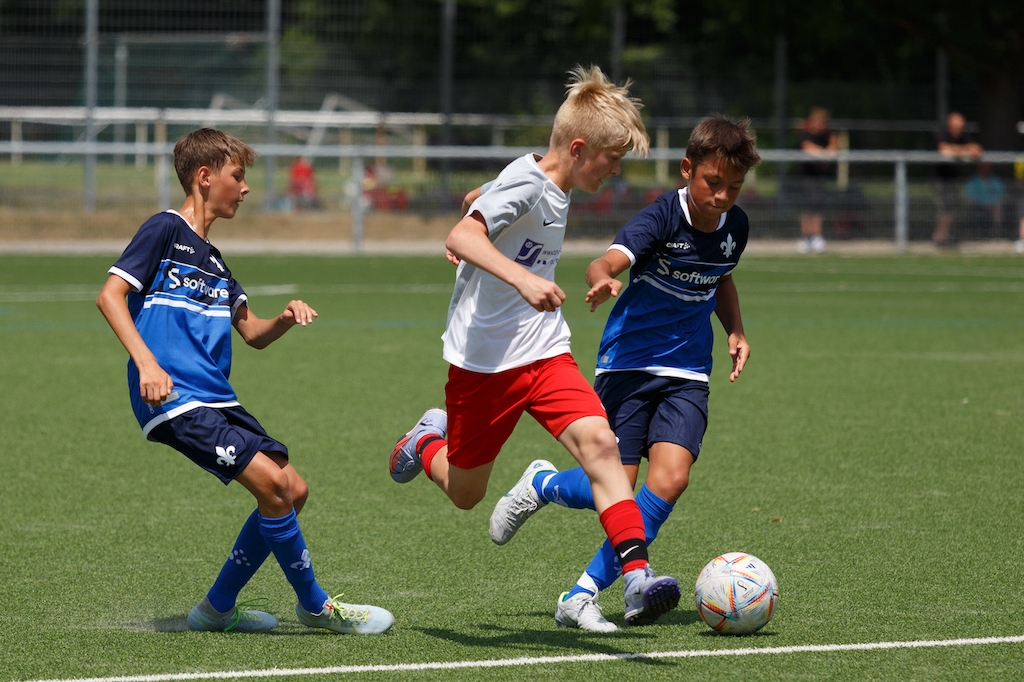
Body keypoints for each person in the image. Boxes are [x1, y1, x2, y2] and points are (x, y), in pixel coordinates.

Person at [388, 65, 681, 626]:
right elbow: (461, 234)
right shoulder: (530, 184)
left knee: (602, 446)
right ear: (578, 148)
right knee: (466, 493)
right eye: (611, 159)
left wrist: (479, 203)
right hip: (483, 363)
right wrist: (519, 275)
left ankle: (637, 577)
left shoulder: (545, 177)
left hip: (545, 351)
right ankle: (425, 440)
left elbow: (483, 198)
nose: (616, 171)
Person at [96, 128, 393, 635]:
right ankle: (316, 607)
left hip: (217, 400)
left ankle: (215, 608)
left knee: (292, 489)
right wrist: (147, 363)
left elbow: (252, 333)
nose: (246, 187)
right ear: (204, 177)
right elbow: (109, 296)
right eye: (238, 176)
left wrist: (284, 319)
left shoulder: (217, 264)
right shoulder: (164, 229)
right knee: (274, 486)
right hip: (176, 397)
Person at [488, 115, 760, 632]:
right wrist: (604, 280)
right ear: (687, 170)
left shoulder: (736, 227)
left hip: (688, 371)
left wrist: (736, 330)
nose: (723, 196)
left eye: (735, 186)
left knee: (671, 479)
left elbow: (721, 279)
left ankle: (582, 594)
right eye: (713, 182)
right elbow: (604, 262)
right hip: (628, 365)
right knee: (616, 482)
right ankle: (543, 484)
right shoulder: (659, 218)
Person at [933, 111, 983, 247]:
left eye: (961, 127)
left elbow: (976, 150)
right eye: (956, 126)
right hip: (939, 178)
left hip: (952, 178)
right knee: (945, 207)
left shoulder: (964, 136)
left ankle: (942, 235)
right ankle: (940, 236)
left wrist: (955, 151)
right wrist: (963, 151)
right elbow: (944, 151)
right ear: (949, 125)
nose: (959, 129)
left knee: (951, 206)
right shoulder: (942, 135)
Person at [796, 107, 838, 254]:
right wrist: (823, 153)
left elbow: (832, 153)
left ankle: (816, 236)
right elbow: (807, 148)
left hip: (819, 177)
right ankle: (806, 237)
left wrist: (826, 151)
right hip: (806, 177)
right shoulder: (806, 134)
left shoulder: (826, 136)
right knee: (807, 207)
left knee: (818, 206)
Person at [964, 161, 1005, 234]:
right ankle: (973, 232)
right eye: (983, 167)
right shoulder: (972, 181)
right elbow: (970, 197)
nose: (985, 169)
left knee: (998, 208)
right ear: (978, 168)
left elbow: (1001, 195)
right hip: (977, 205)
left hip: (993, 205)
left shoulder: (996, 180)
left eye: (987, 167)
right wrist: (983, 204)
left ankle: (996, 231)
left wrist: (991, 204)